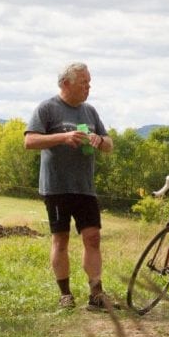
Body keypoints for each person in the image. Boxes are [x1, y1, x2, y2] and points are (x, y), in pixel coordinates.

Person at [24, 62, 114, 310]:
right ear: (66, 83)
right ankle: (65, 294)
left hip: (84, 186)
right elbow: (30, 140)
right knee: (60, 240)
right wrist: (63, 137)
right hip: (56, 187)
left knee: (92, 237)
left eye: (89, 82)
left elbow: (109, 144)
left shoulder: (90, 112)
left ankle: (96, 293)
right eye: (83, 82)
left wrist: (99, 140)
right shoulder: (47, 108)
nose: (88, 87)